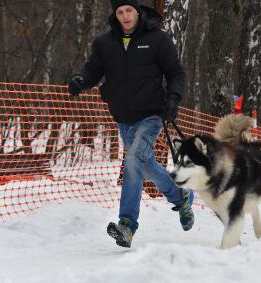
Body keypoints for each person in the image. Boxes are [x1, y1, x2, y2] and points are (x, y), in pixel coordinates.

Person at [68, 0, 194, 248]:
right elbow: (94, 69)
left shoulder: (157, 39)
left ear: (138, 11)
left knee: (133, 159)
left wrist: (173, 99)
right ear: (115, 14)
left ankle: (126, 225)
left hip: (151, 115)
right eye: (120, 11)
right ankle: (181, 195)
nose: (125, 16)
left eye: (129, 10)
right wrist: (82, 80)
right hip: (123, 117)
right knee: (144, 165)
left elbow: (175, 73)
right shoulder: (105, 43)